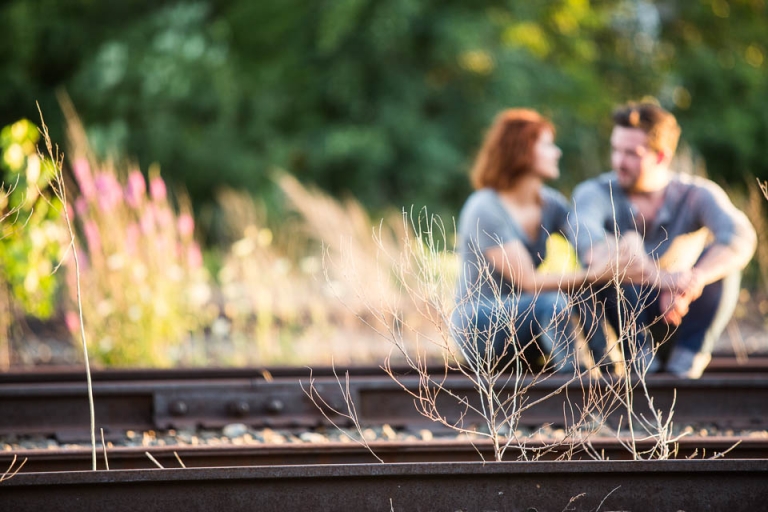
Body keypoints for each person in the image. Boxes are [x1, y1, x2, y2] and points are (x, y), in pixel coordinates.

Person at [569, 101, 757, 378]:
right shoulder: (593, 192)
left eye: (631, 153)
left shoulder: (696, 193)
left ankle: (687, 363)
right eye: (616, 150)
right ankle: (638, 364)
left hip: (681, 311)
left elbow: (741, 238)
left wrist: (692, 281)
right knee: (600, 276)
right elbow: (591, 249)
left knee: (723, 265)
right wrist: (665, 279)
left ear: (660, 157)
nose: (619, 162)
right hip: (626, 320)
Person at [450, 109, 620, 374]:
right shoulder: (484, 207)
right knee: (556, 300)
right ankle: (576, 381)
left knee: (584, 288)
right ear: (523, 150)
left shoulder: (550, 203)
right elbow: (528, 281)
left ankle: (609, 371)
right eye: (548, 145)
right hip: (480, 328)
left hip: (530, 325)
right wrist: (595, 273)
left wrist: (614, 252)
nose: (557, 153)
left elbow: (585, 238)